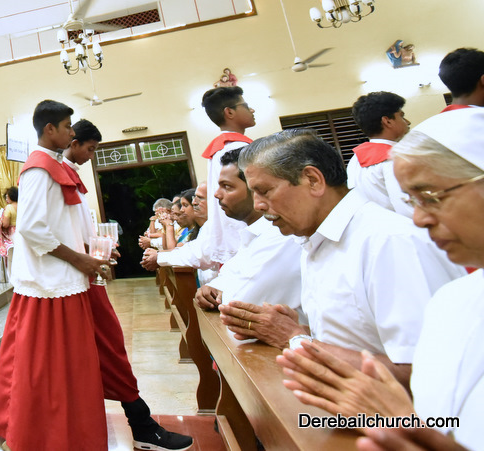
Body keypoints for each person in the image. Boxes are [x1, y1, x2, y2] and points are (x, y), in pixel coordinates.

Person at [275, 109, 484, 450]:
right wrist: (395, 421)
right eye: (412, 201)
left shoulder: (392, 239)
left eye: (431, 197)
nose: (419, 218)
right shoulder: (455, 299)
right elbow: (439, 416)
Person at [218, 130, 464, 386]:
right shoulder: (314, 240)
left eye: (265, 191)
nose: (258, 205)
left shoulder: (389, 241)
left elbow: (427, 372)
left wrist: (296, 341)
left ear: (313, 180)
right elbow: (360, 342)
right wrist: (298, 330)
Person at [62, 119, 194, 451]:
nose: (92, 156)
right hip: (65, 285)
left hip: (82, 279)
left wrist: (96, 250)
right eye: (90, 149)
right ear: (67, 138)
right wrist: (86, 258)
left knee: (111, 349)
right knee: (100, 353)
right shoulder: (47, 174)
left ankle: (140, 422)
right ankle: (136, 422)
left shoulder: (69, 177)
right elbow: (40, 234)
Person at [0, 100, 110, 450]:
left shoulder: (54, 165)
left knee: (70, 367)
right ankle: (42, 433)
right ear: (50, 129)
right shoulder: (38, 169)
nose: (72, 132)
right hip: (49, 283)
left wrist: (90, 250)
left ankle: (68, 430)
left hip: (66, 278)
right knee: (47, 368)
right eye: (68, 126)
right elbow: (31, 228)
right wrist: (79, 259)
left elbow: (64, 221)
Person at [194, 147, 303, 313]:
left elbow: (239, 300)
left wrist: (220, 293)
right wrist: (211, 288)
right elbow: (226, 277)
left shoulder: (282, 234)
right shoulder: (251, 234)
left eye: (227, 186)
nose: (216, 195)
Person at [198, 86, 255, 264]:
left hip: (231, 239)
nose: (252, 110)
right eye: (246, 106)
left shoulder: (221, 148)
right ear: (229, 112)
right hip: (244, 238)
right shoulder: (236, 148)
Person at [348, 91, 412, 215]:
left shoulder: (354, 160)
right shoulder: (395, 158)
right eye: (402, 116)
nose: (407, 122)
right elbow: (407, 209)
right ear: (387, 121)